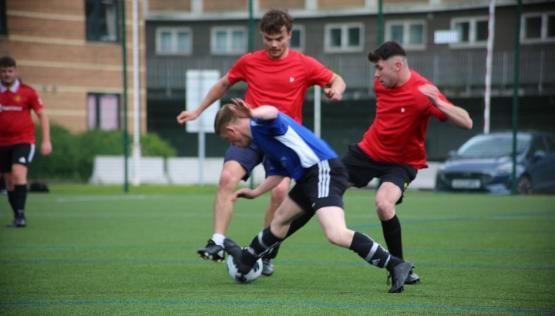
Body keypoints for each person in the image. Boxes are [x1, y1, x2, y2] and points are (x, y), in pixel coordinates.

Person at [176, 9, 345, 275]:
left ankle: (264, 252)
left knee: (279, 193)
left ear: (289, 34)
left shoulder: (304, 64)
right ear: (262, 37)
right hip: (250, 135)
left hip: (281, 142)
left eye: (279, 38)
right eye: (269, 39)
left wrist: (336, 90)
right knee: (227, 177)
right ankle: (217, 241)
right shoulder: (249, 62)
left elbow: (336, 78)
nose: (274, 44)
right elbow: (223, 84)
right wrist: (198, 111)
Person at [214, 99, 413, 293]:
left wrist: (252, 113)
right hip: (308, 177)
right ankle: (246, 260)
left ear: (232, 130)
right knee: (280, 221)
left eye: (226, 138)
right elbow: (280, 172)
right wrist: (256, 192)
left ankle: (395, 264)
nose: (232, 143)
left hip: (323, 170)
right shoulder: (262, 140)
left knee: (336, 233)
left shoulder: (261, 123)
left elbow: (273, 111)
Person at [341, 41, 473, 284]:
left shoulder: (423, 91)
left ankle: (399, 267)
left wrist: (439, 103)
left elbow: (467, 122)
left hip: (401, 163)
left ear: (398, 65)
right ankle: (264, 251)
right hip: (368, 154)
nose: (376, 75)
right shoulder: (381, 84)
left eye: (380, 68)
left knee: (383, 204)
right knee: (321, 186)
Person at [0, 56, 52, 227]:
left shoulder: (27, 92)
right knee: (8, 180)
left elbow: (42, 115)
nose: (7, 74)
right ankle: (17, 216)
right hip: (2, 143)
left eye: (10, 71)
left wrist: (46, 141)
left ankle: (21, 215)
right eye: (3, 71)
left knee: (18, 173)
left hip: (23, 140)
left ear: (16, 72)